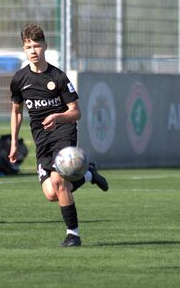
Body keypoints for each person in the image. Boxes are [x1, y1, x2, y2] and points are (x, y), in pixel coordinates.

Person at [8, 24, 109, 247]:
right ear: (24, 49)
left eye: (36, 46)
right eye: (28, 47)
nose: (33, 51)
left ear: (45, 46)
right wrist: (14, 143)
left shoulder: (58, 77)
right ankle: (88, 174)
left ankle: (73, 234)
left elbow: (76, 112)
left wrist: (56, 117)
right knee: (51, 194)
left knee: (59, 181)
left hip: (63, 132)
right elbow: (16, 112)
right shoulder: (19, 80)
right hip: (41, 139)